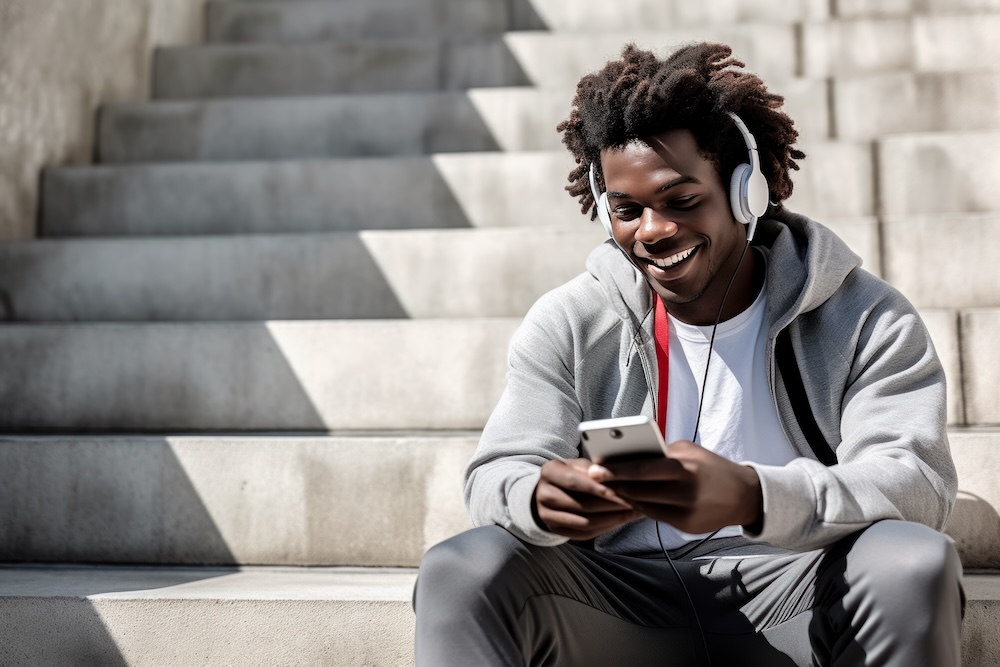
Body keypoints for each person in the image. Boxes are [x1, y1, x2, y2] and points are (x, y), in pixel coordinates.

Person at [413, 42, 964, 666]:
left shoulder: (862, 315)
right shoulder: (573, 321)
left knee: (912, 561)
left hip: (801, 586)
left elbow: (916, 483)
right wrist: (540, 497)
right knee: (461, 569)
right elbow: (495, 472)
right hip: (620, 601)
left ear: (745, 193)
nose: (652, 230)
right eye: (627, 210)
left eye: (681, 201)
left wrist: (752, 496)